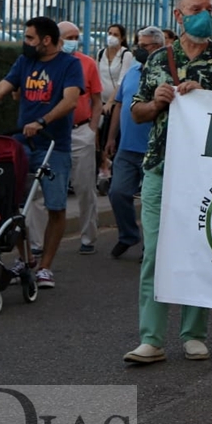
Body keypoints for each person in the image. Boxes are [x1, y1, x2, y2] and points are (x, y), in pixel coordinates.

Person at [123, 0, 212, 365]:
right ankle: (151, 338)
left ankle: (193, 334)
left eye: (208, 7)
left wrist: (206, 96)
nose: (205, 14)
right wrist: (156, 102)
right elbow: (136, 112)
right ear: (179, 14)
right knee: (155, 254)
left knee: (198, 251)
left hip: (206, 174)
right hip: (161, 167)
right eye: (196, 8)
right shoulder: (158, 59)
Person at [0, 16, 83, 289]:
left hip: (53, 144)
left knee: (55, 206)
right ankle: (25, 258)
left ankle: (45, 267)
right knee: (12, 203)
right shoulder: (25, 62)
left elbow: (70, 100)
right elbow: (0, 89)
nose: (25, 42)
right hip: (21, 143)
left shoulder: (70, 65)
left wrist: (42, 121)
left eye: (30, 38)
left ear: (46, 40)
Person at [27, 21, 102, 257]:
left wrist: (92, 129)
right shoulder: (40, 64)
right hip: (51, 134)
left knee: (84, 186)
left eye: (76, 36)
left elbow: (97, 99)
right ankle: (36, 242)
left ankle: (88, 236)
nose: (73, 41)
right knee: (40, 189)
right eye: (68, 36)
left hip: (80, 132)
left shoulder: (87, 63)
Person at [103, 26, 163, 260]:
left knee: (151, 201)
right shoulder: (132, 71)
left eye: (144, 46)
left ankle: (151, 246)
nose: (138, 50)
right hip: (127, 147)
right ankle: (128, 235)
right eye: (138, 44)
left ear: (157, 47)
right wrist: (110, 137)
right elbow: (119, 104)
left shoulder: (167, 73)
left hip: (154, 149)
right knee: (117, 193)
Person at [96, 24, 134, 188]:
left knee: (109, 135)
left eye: (115, 34)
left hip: (116, 101)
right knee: (96, 134)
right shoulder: (100, 54)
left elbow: (122, 80)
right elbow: (97, 78)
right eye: (109, 33)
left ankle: (107, 166)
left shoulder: (125, 55)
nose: (111, 36)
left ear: (122, 38)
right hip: (101, 101)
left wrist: (111, 101)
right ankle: (103, 163)